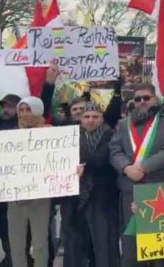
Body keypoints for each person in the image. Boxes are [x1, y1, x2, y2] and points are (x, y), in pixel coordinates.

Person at [109, 83, 164, 267]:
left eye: (146, 98)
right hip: (130, 189)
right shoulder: (123, 124)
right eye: (137, 99)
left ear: (156, 99)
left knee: (160, 244)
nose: (141, 102)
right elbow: (114, 150)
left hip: (159, 189)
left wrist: (144, 167)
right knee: (132, 244)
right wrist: (126, 168)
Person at [61, 102, 120, 267]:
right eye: (86, 117)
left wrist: (82, 163)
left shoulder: (110, 134)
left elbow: (102, 159)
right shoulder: (69, 136)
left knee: (103, 242)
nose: (90, 120)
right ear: (81, 119)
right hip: (75, 195)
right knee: (74, 242)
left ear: (102, 118)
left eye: (95, 116)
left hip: (102, 196)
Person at [7, 97, 52, 267]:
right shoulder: (8, 137)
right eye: (22, 110)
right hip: (15, 196)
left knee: (39, 244)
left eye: (29, 110)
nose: (25, 114)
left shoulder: (51, 134)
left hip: (40, 196)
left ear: (38, 111)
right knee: (16, 244)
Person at [0, 93, 21, 267]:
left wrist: (48, 84)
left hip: (14, 198)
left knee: (14, 245)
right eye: (3, 106)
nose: (5, 110)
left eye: (10, 106)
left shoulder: (24, 127)